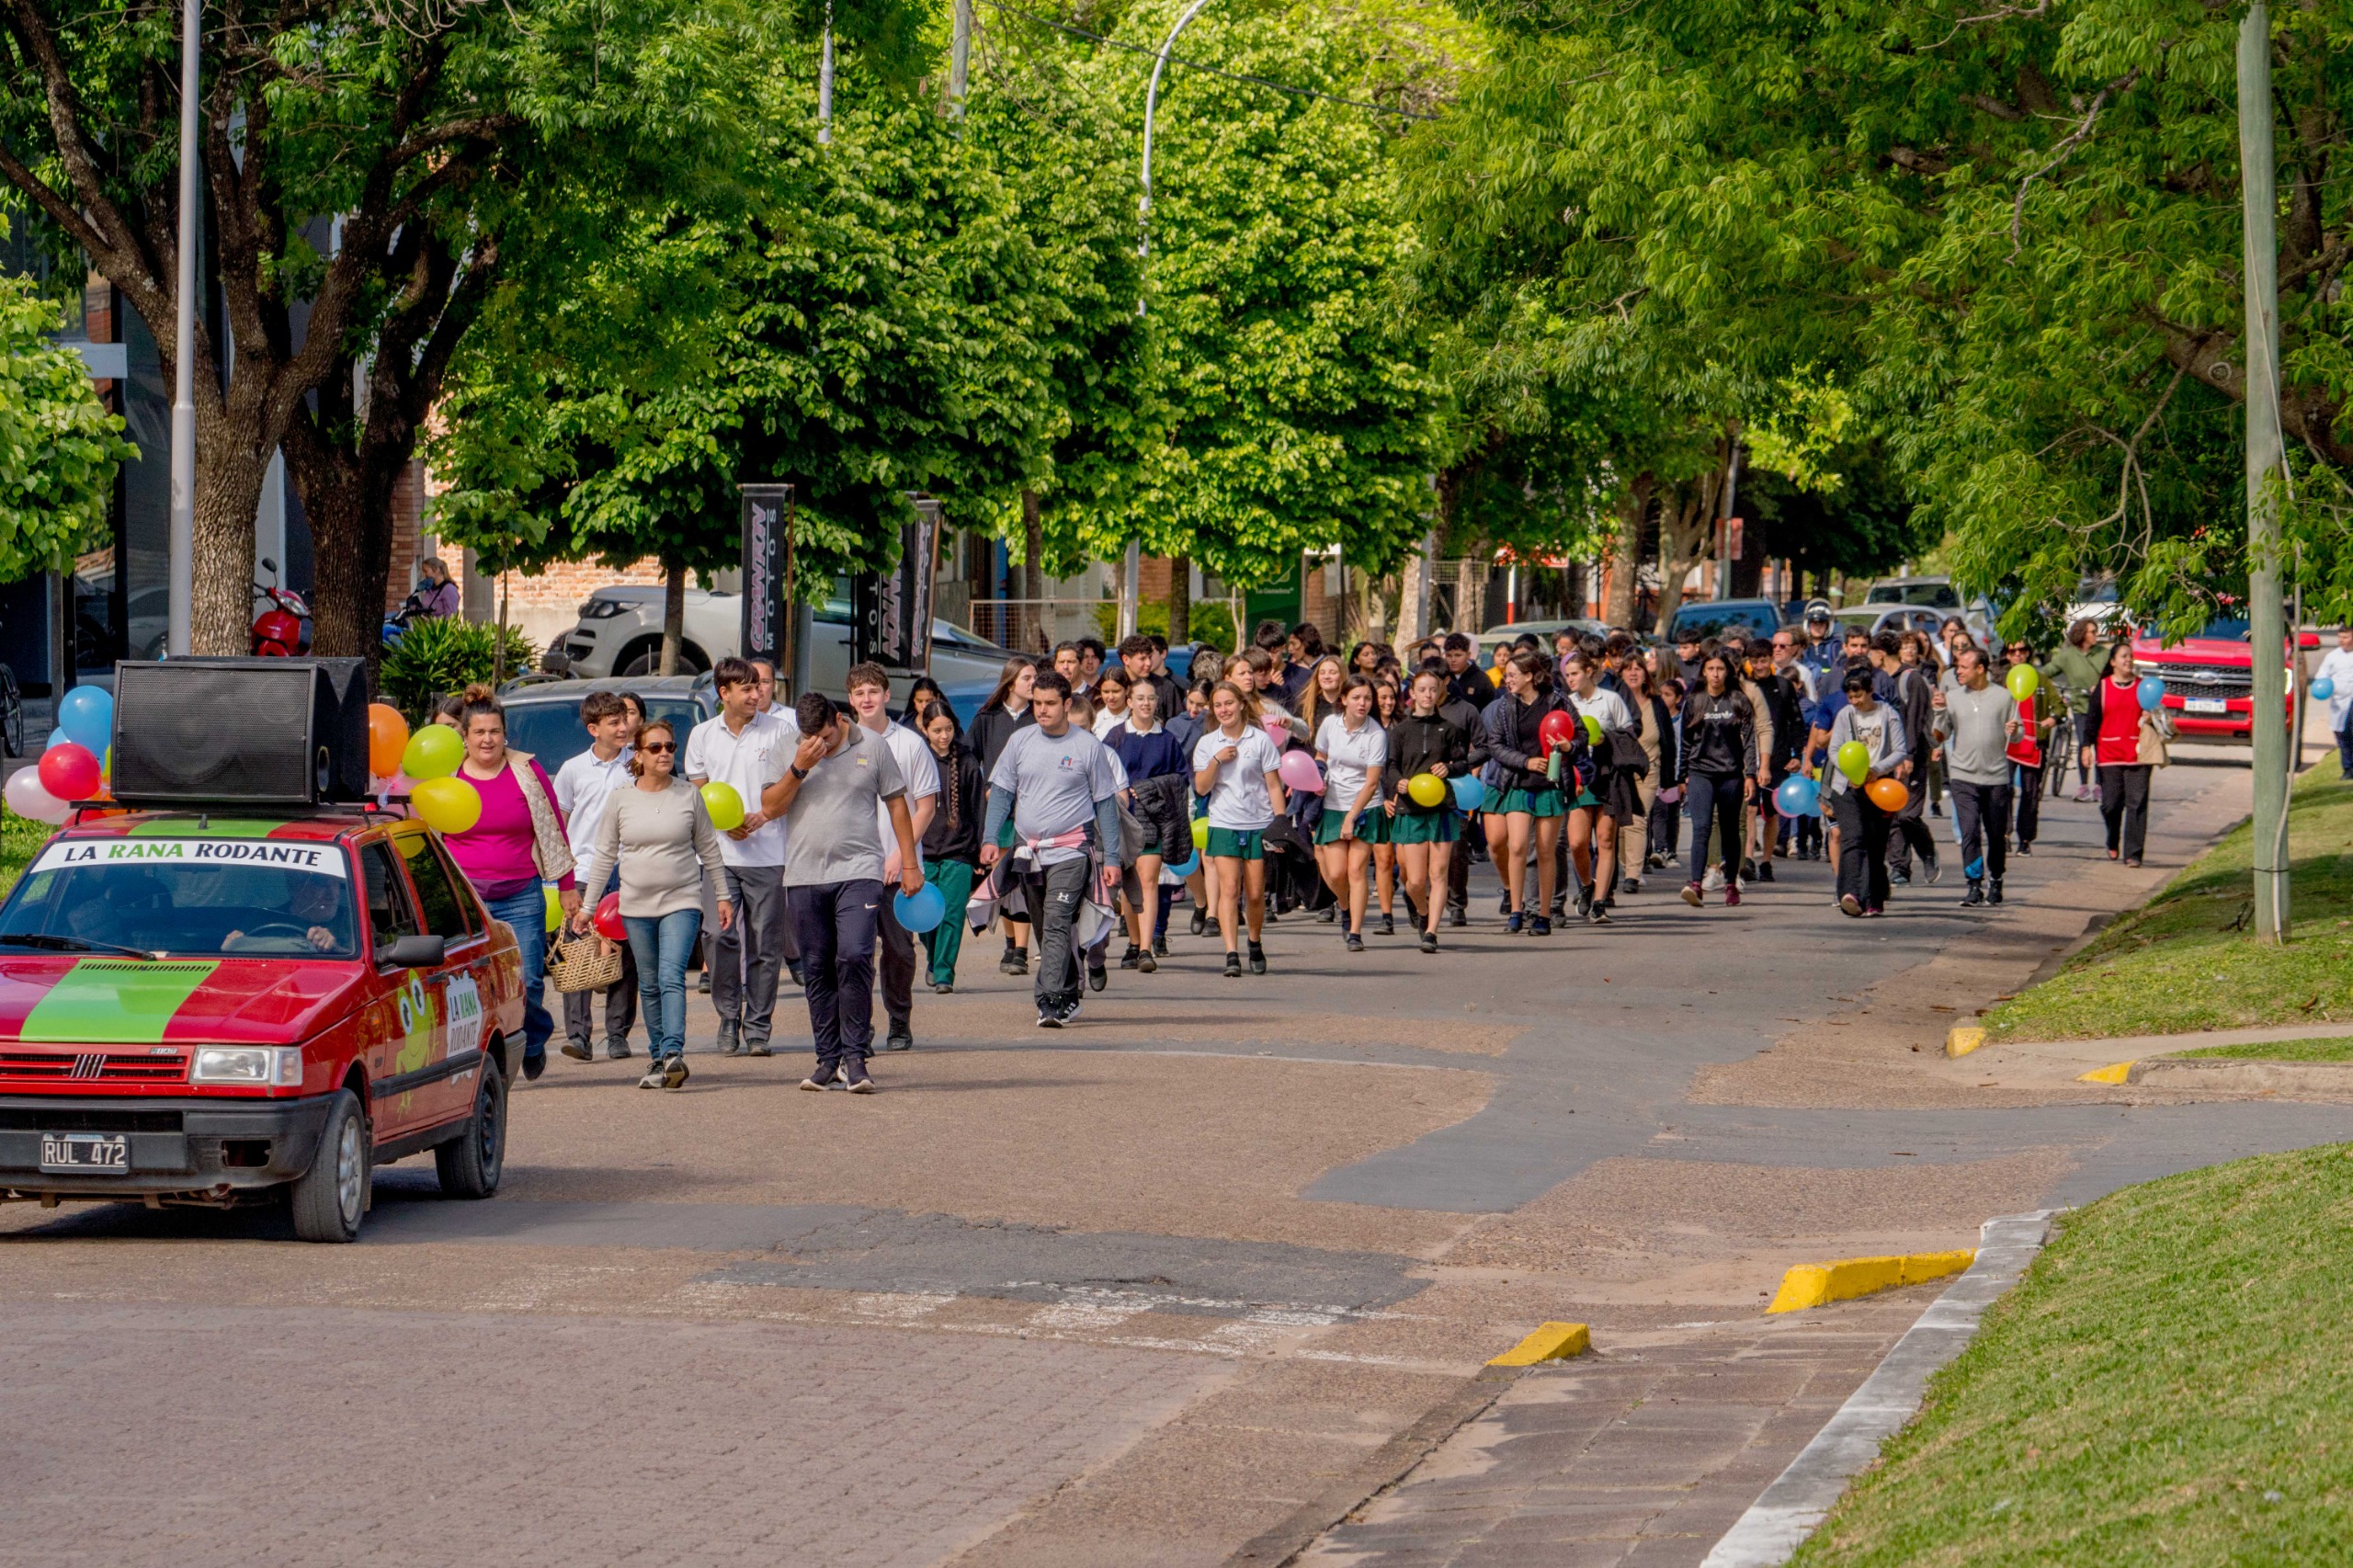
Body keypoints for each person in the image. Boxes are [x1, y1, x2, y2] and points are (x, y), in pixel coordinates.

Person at [759, 692, 922, 1092]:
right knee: (816, 967)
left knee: (854, 955)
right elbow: (771, 807)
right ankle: (827, 1060)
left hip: (859, 870)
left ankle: (855, 1058)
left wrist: (909, 863)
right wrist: (799, 768)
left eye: (825, 736)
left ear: (838, 719)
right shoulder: (789, 748)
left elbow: (897, 804)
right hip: (804, 874)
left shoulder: (873, 745)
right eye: (809, 736)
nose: (819, 744)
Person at [573, 718, 732, 1090]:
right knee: (647, 983)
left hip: (682, 899)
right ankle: (658, 1058)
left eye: (670, 747)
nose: (664, 753)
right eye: (655, 747)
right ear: (638, 755)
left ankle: (674, 1051)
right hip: (636, 905)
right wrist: (588, 907)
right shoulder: (621, 798)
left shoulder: (688, 794)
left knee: (670, 975)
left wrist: (722, 895)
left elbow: (709, 849)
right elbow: (604, 855)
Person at [438, 686, 577, 1079]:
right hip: (466, 900)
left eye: (495, 732)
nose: (488, 740)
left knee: (528, 980)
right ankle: (478, 1058)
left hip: (520, 895)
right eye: (479, 732)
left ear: (505, 735)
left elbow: (553, 828)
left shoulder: (527, 772)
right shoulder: (448, 775)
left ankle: (533, 1040)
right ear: (465, 737)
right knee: (467, 985)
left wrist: (567, 885)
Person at [982, 671, 1127, 1023]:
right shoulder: (1020, 741)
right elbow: (1001, 793)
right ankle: (1069, 989)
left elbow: (1106, 804)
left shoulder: (1087, 746)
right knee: (1044, 925)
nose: (1042, 710)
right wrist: (989, 838)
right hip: (1028, 852)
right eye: (1037, 703)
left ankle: (1049, 1000)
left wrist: (1113, 857)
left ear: (1067, 704)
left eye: (1049, 703)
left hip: (1072, 850)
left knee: (1058, 918)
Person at [684, 657, 798, 1059]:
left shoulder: (781, 730)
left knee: (766, 944)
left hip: (768, 855)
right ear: (724, 693)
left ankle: (758, 1027)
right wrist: (725, 823)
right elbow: (700, 793)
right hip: (718, 857)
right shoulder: (702, 735)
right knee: (718, 936)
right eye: (747, 689)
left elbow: (792, 787)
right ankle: (728, 1016)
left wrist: (763, 815)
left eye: (759, 687)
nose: (756, 695)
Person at [847, 664, 940, 1053]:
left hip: (899, 869)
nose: (867, 699)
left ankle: (899, 1018)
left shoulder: (910, 744)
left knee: (900, 950)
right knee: (854, 953)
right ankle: (858, 1029)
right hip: (854, 867)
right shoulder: (842, 743)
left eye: (873, 691)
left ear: (886, 695)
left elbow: (926, 807)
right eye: (859, 693)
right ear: (851, 700)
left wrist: (901, 857)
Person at [551, 690, 639, 1062]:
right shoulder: (573, 769)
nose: (623, 728)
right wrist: (563, 878)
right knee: (577, 952)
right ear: (593, 729)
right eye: (613, 722)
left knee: (626, 952)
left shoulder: (637, 764)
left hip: (630, 870)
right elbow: (559, 825)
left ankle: (617, 1033)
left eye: (624, 720)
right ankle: (578, 1034)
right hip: (586, 871)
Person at [1192, 680, 1288, 975]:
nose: (1224, 710)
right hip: (1223, 824)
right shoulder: (1208, 744)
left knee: (1256, 894)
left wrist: (1280, 824)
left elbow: (1274, 786)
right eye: (1218, 705)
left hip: (1258, 824)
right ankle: (1231, 953)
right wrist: (1216, 760)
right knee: (1230, 889)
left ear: (1242, 704)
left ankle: (1254, 942)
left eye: (1229, 703)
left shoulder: (1260, 740)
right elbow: (1201, 788)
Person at [1483, 651, 1570, 935]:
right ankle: (1516, 910)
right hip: (1517, 782)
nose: (1506, 680)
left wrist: (1569, 746)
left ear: (1529, 676)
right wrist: (1525, 762)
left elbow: (1579, 735)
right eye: (1506, 675)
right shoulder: (1506, 705)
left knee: (1545, 851)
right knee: (1518, 846)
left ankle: (1543, 915)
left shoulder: (1557, 701)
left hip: (1550, 783)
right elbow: (1495, 744)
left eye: (1512, 675)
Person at [1934, 645, 2024, 906]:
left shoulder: (2003, 697)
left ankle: (1996, 880)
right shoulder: (1953, 697)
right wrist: (1938, 712)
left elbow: (2017, 735)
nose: (1958, 671)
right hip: (1963, 776)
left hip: (1996, 778)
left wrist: (2014, 731)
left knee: (1996, 835)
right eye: (1957, 667)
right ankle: (1973, 885)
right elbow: (1940, 735)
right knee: (1970, 831)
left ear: (1981, 669)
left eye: (1964, 667)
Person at [1387, 668, 1469, 953]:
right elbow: (1390, 766)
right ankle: (1422, 911)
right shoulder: (1400, 731)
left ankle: (1432, 932)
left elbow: (1463, 763)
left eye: (1433, 689)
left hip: (1442, 808)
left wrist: (1449, 768)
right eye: (1422, 689)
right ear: (1412, 693)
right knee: (1414, 881)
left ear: (1439, 692)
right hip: (1410, 808)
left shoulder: (1450, 729)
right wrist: (1398, 782)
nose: (1428, 695)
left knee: (1438, 873)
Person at [1108, 680, 1188, 970]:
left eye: (1151, 698)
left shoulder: (1167, 739)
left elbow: (1181, 778)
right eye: (1140, 698)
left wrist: (1149, 787)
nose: (1146, 703)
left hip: (1153, 818)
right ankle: (1133, 942)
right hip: (1121, 819)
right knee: (1130, 885)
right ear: (1129, 702)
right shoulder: (1115, 737)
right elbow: (1100, 773)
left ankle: (1146, 949)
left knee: (1149, 881)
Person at [970, 656, 1038, 976]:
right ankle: (1011, 943)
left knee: (1024, 878)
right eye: (1027, 678)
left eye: (1035, 677)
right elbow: (970, 761)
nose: (1033, 683)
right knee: (1004, 880)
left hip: (1029, 812)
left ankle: (1022, 950)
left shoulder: (1038, 718)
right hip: (998, 813)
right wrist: (986, 788)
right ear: (1011, 682)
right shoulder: (987, 718)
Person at [1824, 666, 1909, 916]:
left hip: (1879, 787)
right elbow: (1834, 750)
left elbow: (1899, 751)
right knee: (1854, 837)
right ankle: (1850, 894)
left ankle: (1874, 899)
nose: (1855, 701)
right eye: (1850, 697)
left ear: (1871, 690)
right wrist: (1853, 772)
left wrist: (1876, 770)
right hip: (1846, 787)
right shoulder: (1845, 715)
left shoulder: (1888, 714)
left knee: (1875, 843)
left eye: (1859, 695)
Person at [1311, 675, 1387, 951]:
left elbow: (1372, 782)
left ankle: (1355, 931)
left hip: (1365, 806)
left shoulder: (1376, 734)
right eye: (1356, 698)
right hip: (1333, 805)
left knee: (1356, 870)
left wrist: (1352, 816)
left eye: (1367, 698)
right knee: (1335, 873)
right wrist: (1318, 779)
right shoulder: (1330, 724)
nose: (1362, 703)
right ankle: (1344, 907)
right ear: (1343, 699)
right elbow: (1321, 756)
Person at [915, 701, 985, 992]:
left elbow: (978, 808)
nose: (944, 736)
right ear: (925, 729)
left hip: (960, 851)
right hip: (924, 850)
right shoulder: (918, 758)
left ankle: (944, 972)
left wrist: (981, 850)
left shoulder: (967, 762)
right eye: (937, 730)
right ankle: (933, 958)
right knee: (925, 917)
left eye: (948, 729)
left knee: (951, 914)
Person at [1677, 652, 1756, 909]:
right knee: (1701, 828)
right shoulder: (1695, 702)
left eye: (1720, 669)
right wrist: (1681, 776)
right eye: (1711, 669)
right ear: (1704, 672)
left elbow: (1750, 741)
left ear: (1727, 672)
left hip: (1730, 775)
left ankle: (1731, 883)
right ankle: (1696, 884)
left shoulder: (1738, 701)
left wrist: (1750, 775)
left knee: (1730, 830)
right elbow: (1685, 741)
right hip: (1701, 773)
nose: (1715, 674)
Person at [1560, 649, 1630, 924]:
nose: (1570, 679)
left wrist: (1605, 740)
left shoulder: (1611, 699)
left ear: (1589, 672)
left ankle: (1600, 903)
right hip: (1579, 777)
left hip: (1607, 775)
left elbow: (1629, 735)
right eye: (1567, 675)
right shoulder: (1566, 703)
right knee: (1577, 842)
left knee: (1605, 840)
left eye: (1575, 673)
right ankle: (1587, 885)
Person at [2080, 642, 2156, 866]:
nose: (2128, 660)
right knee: (2111, 804)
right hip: (2109, 753)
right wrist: (2086, 746)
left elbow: (2158, 714)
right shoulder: (2103, 688)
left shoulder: (2143, 687)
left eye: (2130, 656)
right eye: (2123, 656)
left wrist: (2152, 717)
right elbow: (2092, 720)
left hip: (2138, 754)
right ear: (2113, 662)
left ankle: (2133, 854)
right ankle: (2112, 838)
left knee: (2137, 803)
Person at [1614, 657, 1673, 893]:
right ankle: (1626, 865)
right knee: (1621, 825)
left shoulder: (1656, 704)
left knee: (1637, 820)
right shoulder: (1615, 701)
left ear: (1646, 675)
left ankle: (1633, 875)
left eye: (1638, 669)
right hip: (1621, 771)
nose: (1633, 673)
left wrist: (1671, 777)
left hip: (1649, 769)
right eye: (1628, 669)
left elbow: (1668, 740)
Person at [2045, 618, 2109, 801]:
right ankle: (2083, 785)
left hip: (2102, 707)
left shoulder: (2103, 654)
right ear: (2082, 634)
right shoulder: (2068, 656)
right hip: (2080, 705)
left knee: (2100, 745)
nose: (2096, 635)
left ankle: (2099, 785)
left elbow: (2112, 675)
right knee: (2083, 743)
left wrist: (2100, 686)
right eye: (2092, 632)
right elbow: (2047, 671)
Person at [2316, 626, 2353, 779]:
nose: (2341, 640)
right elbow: (2322, 676)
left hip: (2351, 700)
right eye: (2340, 637)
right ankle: (2348, 768)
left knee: (2349, 730)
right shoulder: (2333, 657)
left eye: (2345, 637)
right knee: (2342, 736)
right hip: (2338, 702)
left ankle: (2349, 767)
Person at [1120, 633, 1185, 718]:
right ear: (1126, 659)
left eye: (1150, 657)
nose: (1149, 663)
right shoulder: (1114, 686)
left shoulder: (1166, 687)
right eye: (1142, 659)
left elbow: (1176, 722)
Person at [1441, 631, 1495, 710]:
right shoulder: (1442, 677)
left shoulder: (1482, 680)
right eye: (1449, 655)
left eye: (1458, 655)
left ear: (1468, 655)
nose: (1453, 660)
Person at [1091, 666, 1132, 737]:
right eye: (1106, 692)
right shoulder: (1095, 718)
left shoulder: (1136, 717)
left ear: (1127, 690)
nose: (1111, 697)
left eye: (1116, 691)